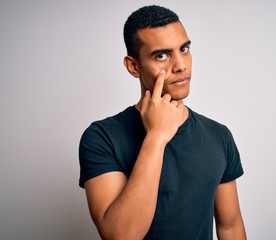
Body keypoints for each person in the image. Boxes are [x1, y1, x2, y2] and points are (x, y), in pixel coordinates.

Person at [79, 5, 246, 240]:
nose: (180, 65)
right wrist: (156, 137)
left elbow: (230, 227)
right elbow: (121, 235)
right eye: (162, 55)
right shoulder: (101, 137)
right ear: (133, 66)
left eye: (184, 49)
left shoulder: (219, 135)